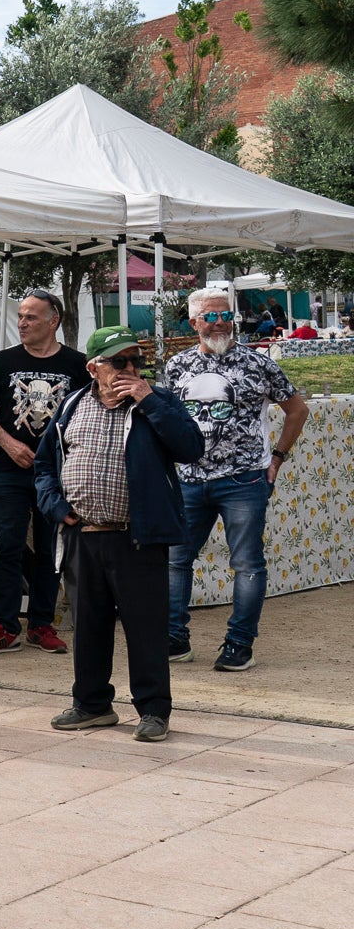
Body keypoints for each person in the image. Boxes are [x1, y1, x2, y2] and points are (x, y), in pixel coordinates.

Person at [35, 327, 203, 742]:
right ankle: (91, 705)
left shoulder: (157, 402)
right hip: (82, 535)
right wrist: (57, 508)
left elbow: (192, 448)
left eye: (136, 361)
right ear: (94, 367)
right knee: (89, 626)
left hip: (137, 537)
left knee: (146, 628)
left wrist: (149, 400)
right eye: (119, 361)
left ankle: (153, 711)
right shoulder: (72, 405)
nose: (130, 369)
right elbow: (43, 467)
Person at [162, 286, 309, 671]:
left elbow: (297, 409)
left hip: (243, 481)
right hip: (190, 480)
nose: (221, 322)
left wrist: (277, 457)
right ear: (194, 322)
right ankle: (174, 638)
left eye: (226, 314)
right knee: (176, 560)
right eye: (210, 316)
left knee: (247, 564)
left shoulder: (258, 364)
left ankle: (239, 644)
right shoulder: (177, 367)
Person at [0, 289, 88, 657]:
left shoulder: (77, 364)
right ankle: (5, 627)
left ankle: (41, 624)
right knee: (7, 545)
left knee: (51, 549)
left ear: (53, 320)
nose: (22, 323)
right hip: (9, 470)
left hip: (55, 474)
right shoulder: (2, 361)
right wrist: (9, 443)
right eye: (20, 316)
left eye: (31, 317)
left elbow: (87, 416)